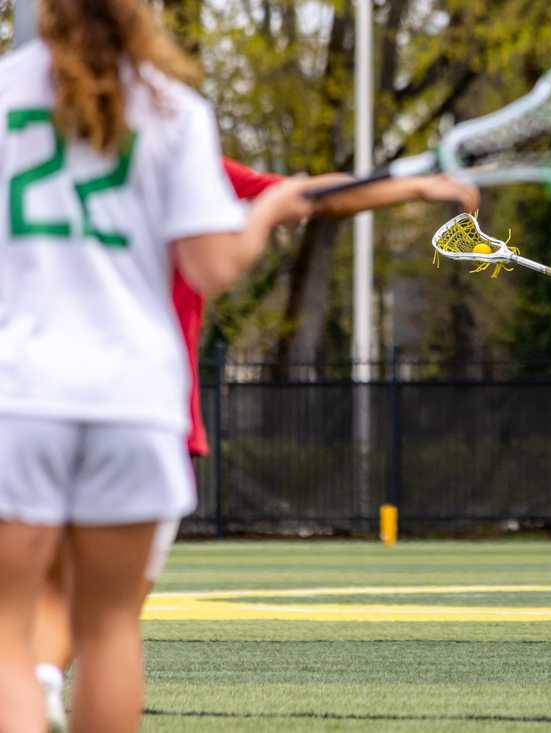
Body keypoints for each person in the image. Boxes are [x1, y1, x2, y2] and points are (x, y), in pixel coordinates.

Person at [30, 157, 480, 729]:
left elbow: (306, 194)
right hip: (142, 407)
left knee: (45, 605)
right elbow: (261, 229)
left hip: (37, 405)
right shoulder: (171, 135)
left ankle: (36, 686)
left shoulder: (23, 125)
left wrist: (409, 185)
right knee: (110, 621)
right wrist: (406, 188)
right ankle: (38, 690)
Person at [0, 1, 322, 730]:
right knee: (110, 626)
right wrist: (268, 212)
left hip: (20, 395)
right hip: (137, 399)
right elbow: (210, 263)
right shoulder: (173, 108)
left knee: (8, 637)